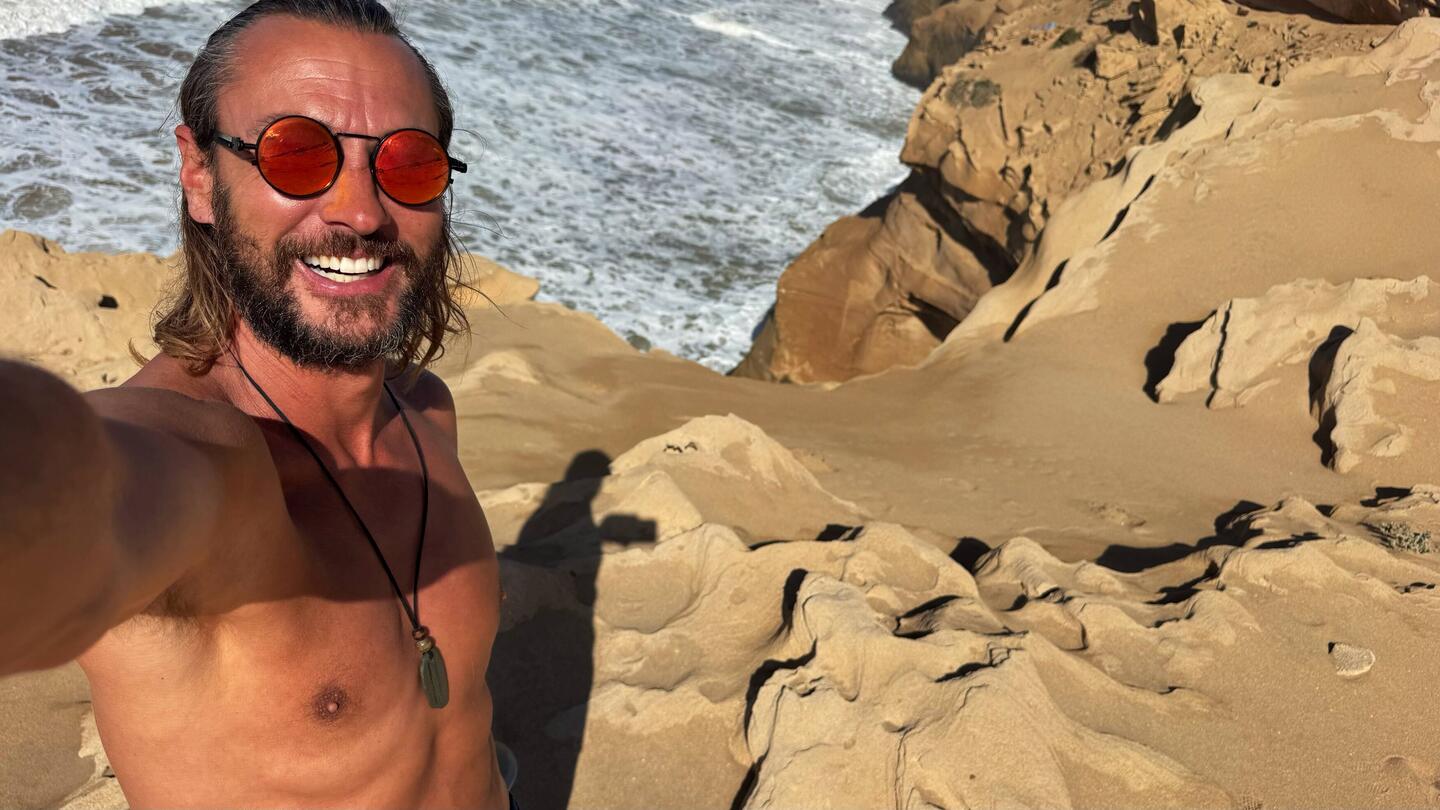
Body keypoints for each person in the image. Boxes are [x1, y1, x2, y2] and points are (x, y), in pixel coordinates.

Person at [0, 1, 513, 807]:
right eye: (296, 154)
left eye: (407, 164)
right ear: (200, 177)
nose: (361, 212)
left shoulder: (426, 414)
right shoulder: (208, 466)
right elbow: (80, 497)